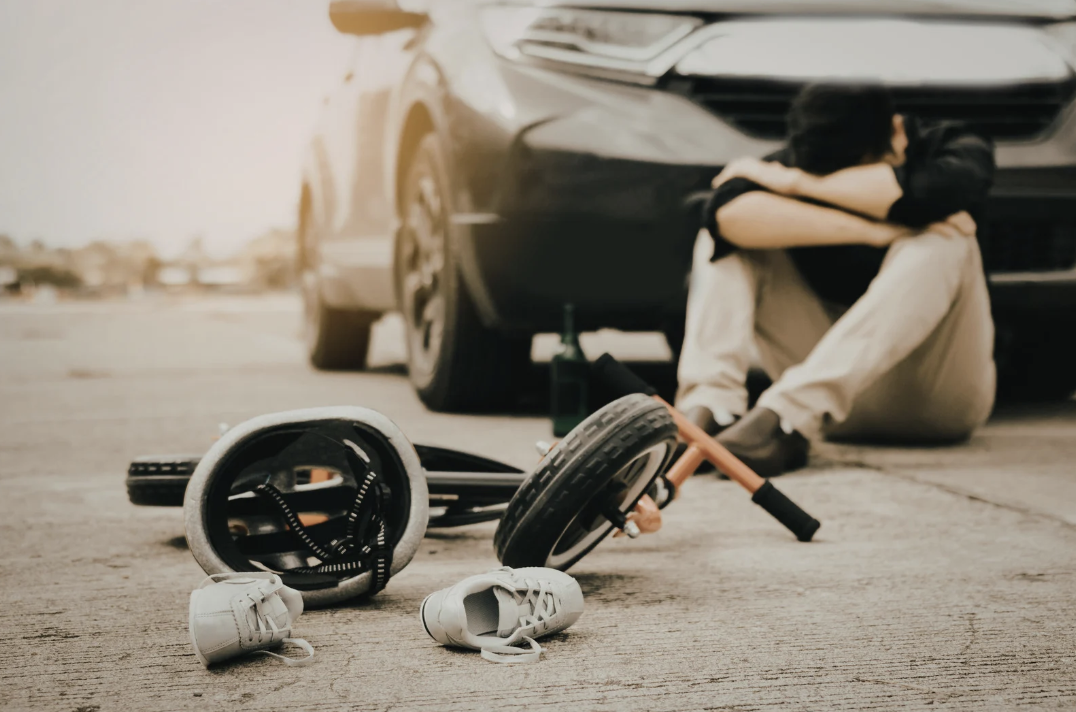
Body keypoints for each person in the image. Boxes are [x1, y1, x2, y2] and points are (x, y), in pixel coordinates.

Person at [676, 83, 997, 477]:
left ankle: (789, 416)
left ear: (898, 133)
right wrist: (873, 231)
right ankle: (713, 408)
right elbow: (722, 214)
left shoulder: (951, 146)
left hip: (934, 400)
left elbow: (931, 192)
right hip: (833, 408)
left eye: (852, 176)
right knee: (725, 238)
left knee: (947, 239)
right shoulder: (808, 155)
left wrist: (800, 185)